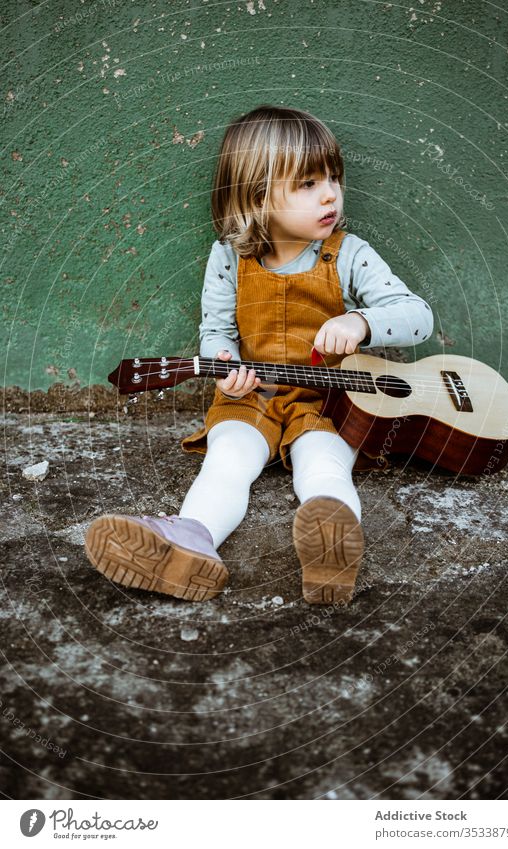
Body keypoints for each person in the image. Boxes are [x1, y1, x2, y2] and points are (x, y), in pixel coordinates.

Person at [84, 104, 433, 605]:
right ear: (257, 197)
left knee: (324, 464)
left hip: (333, 403)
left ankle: (331, 547)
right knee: (228, 458)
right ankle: (189, 542)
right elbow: (216, 331)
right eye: (308, 184)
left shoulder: (350, 253)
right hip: (256, 394)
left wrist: (361, 321)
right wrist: (224, 366)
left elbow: (416, 314)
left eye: (333, 177)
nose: (330, 193)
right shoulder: (229, 256)